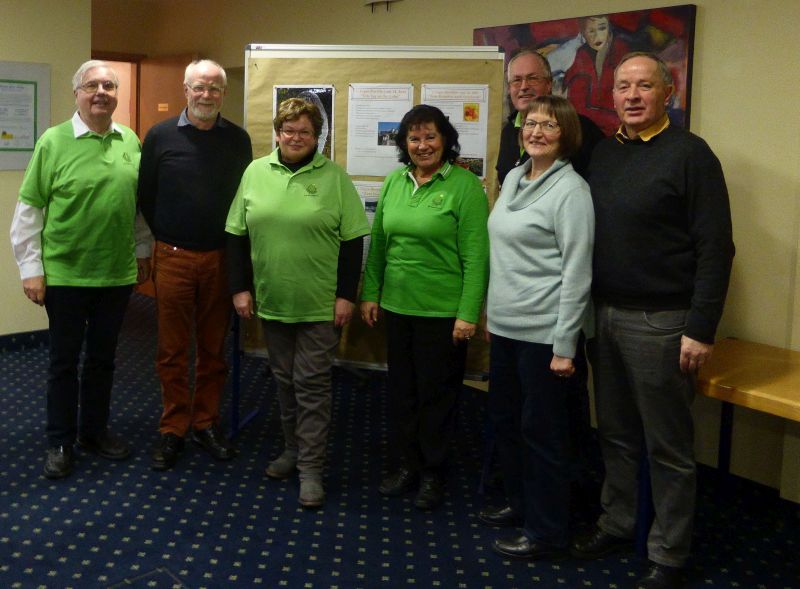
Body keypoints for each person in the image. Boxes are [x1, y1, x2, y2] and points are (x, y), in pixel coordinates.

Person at [570, 52, 734, 589]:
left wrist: (701, 327)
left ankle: (669, 553)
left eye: (644, 86)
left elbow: (716, 249)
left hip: (663, 322)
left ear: (669, 92)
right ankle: (618, 522)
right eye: (623, 87)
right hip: (604, 316)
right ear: (612, 96)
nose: (633, 96)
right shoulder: (605, 155)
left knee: (668, 445)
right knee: (615, 433)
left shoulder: (692, 155)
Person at [10, 60, 152, 479]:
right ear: (77, 93)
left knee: (103, 361)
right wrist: (31, 269)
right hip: (66, 276)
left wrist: (143, 249)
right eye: (92, 85)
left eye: (110, 85)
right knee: (63, 362)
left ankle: (94, 431)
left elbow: (135, 206)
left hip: (116, 274)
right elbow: (29, 211)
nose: (102, 92)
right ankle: (59, 440)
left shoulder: (130, 140)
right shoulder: (53, 142)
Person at [226, 97, 369, 508]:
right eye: (288, 130)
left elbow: (352, 240)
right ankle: (292, 450)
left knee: (312, 386)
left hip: (320, 305)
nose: (295, 137)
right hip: (272, 301)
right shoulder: (255, 171)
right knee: (285, 382)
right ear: (277, 133)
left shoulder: (334, 178)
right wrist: (240, 288)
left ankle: (311, 469)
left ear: (317, 137)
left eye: (305, 131)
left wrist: (346, 296)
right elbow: (236, 234)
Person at [360, 105, 489, 511]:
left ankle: (433, 473)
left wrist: (468, 313)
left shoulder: (466, 186)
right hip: (397, 309)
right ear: (404, 144)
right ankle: (407, 465)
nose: (422, 145)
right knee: (403, 393)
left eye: (430, 136)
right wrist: (370, 292)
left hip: (443, 314)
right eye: (414, 138)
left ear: (447, 140)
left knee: (437, 396)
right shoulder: (395, 181)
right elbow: (379, 244)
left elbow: (476, 256)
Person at [482, 96, 594, 559]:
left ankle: (548, 531)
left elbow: (577, 272)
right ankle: (521, 504)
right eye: (531, 124)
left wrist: (565, 345)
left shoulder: (572, 191)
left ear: (565, 134)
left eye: (549, 125)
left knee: (543, 434)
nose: (537, 132)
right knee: (507, 424)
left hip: (545, 337)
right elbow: (503, 255)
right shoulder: (512, 178)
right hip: (507, 329)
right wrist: (491, 313)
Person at [138, 59, 252, 471]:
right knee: (171, 350)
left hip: (221, 257)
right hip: (173, 258)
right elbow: (145, 195)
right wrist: (159, 242)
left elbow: (244, 201)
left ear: (224, 93)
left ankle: (205, 422)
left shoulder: (238, 140)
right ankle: (173, 428)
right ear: (185, 90)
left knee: (213, 349)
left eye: (215, 89)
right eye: (199, 88)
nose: (207, 96)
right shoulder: (159, 136)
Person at [496, 47, 605, 186]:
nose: (523, 86)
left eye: (532, 78)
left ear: (549, 84)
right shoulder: (509, 131)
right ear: (510, 88)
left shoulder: (580, 129)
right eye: (516, 80)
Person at [563, 15, 631, 136]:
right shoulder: (581, 58)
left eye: (602, 28)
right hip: (593, 132)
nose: (597, 36)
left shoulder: (621, 51)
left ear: (609, 28)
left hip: (624, 130)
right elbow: (578, 108)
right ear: (583, 34)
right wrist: (615, 121)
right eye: (591, 31)